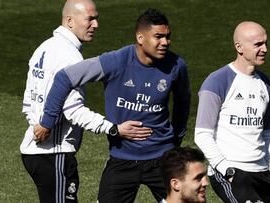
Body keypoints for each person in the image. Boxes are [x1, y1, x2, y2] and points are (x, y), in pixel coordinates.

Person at [33, 8, 191, 203]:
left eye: (168, 36)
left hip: (162, 158)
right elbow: (64, 77)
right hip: (121, 159)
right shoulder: (116, 61)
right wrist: (47, 122)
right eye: (158, 37)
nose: (165, 42)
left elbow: (183, 102)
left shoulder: (177, 65)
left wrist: (175, 141)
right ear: (140, 38)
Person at [19, 0, 134, 202]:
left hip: (35, 150)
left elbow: (29, 99)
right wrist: (113, 129)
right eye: (90, 19)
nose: (96, 25)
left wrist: (36, 125)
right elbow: (74, 111)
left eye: (96, 19)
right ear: (70, 21)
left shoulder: (44, 48)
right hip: (54, 155)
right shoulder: (70, 57)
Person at [194, 21, 270, 203]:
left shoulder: (265, 83)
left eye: (265, 43)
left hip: (262, 175)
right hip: (232, 173)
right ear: (239, 47)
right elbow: (202, 134)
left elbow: (266, 132)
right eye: (258, 44)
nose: (264, 49)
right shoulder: (217, 82)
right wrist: (227, 170)